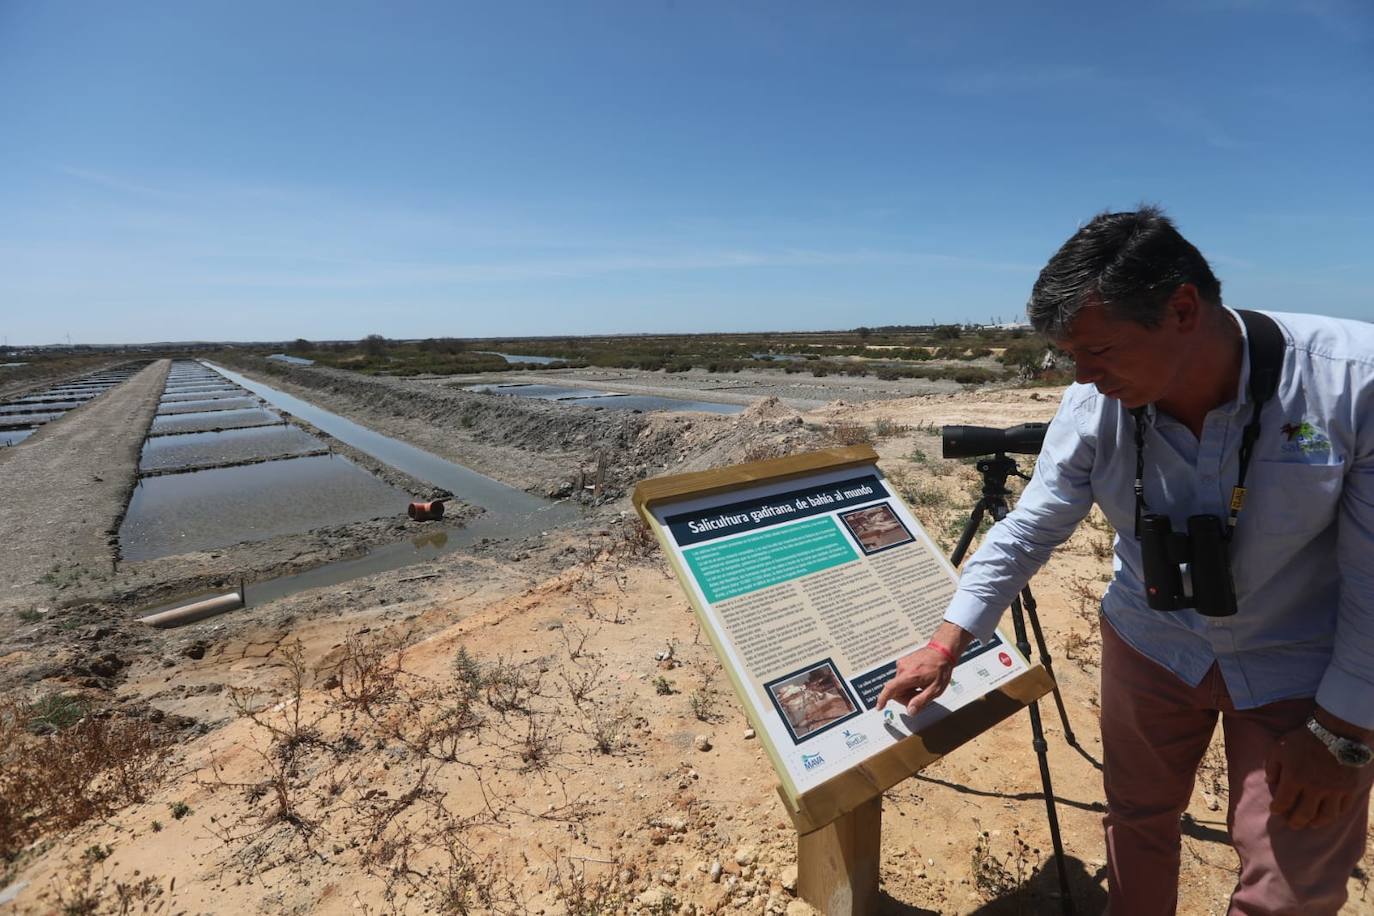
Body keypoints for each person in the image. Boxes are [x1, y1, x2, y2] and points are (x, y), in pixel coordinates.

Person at [876, 207, 1374, 914]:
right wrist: (946, 639)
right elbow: (1027, 530)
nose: (1081, 376)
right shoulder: (1092, 406)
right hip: (1152, 645)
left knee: (1292, 880)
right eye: (1068, 357)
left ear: (1180, 309)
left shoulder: (1351, 385)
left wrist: (1345, 731)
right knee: (1136, 824)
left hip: (1299, 661)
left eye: (1098, 351)